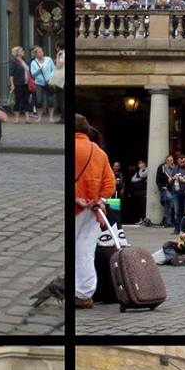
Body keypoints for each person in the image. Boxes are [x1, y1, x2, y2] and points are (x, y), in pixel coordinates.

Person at [73, 115, 115, 310]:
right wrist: (101, 200)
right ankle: (84, 293)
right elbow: (110, 182)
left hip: (76, 206)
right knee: (85, 250)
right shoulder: (98, 152)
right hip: (92, 209)